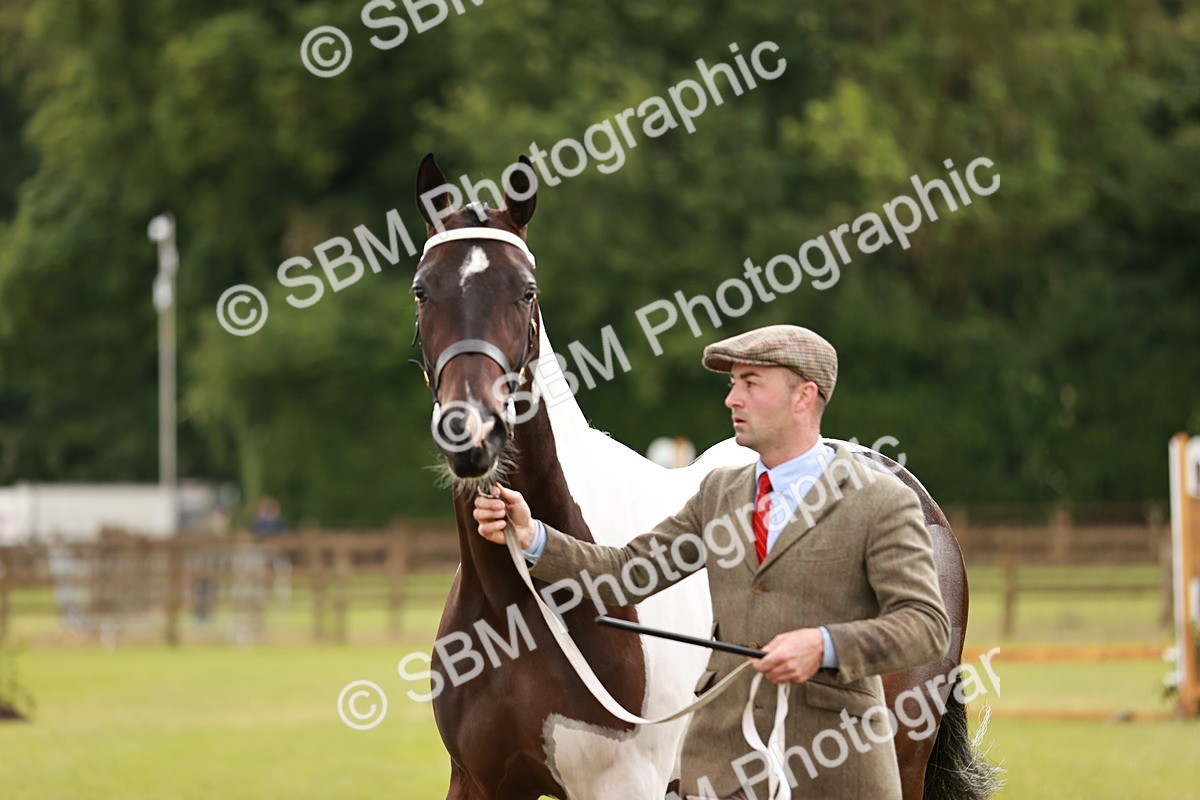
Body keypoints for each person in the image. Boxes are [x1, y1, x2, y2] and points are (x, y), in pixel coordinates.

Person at [473, 324, 950, 799]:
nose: (732, 399)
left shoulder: (881, 500)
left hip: (837, 763)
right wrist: (533, 538)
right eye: (732, 384)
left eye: (750, 384)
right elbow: (625, 573)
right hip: (722, 767)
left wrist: (824, 646)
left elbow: (926, 626)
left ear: (804, 397)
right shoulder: (721, 493)